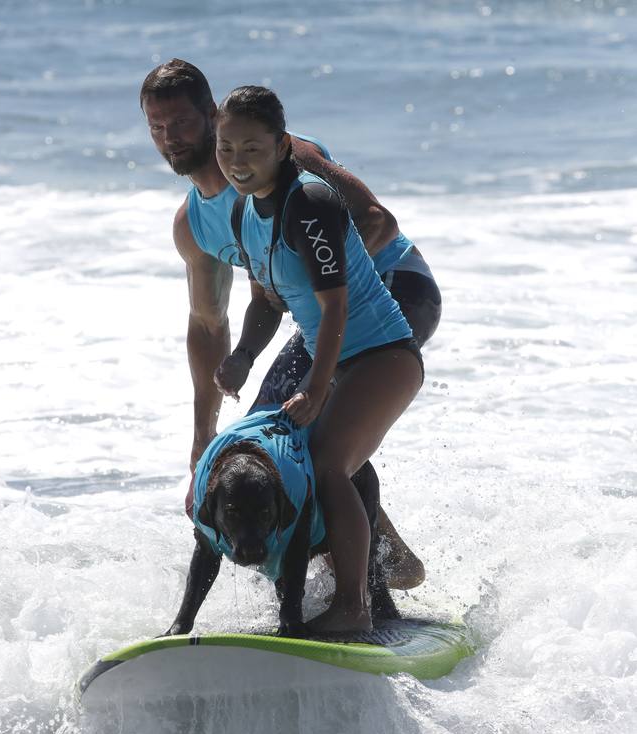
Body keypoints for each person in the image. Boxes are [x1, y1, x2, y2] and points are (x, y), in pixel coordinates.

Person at [140, 59, 441, 589]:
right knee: (266, 444)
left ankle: (364, 583)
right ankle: (382, 565)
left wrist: (324, 301)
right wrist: (202, 436)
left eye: (182, 122)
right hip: (319, 317)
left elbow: (376, 221)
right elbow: (210, 326)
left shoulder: (280, 156)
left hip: (394, 286)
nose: (171, 138)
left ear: (212, 115)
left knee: (289, 439)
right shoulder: (196, 224)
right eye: (157, 128)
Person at [212, 86, 424, 632]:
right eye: (227, 148)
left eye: (252, 148)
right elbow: (265, 297)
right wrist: (241, 356)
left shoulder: (309, 201)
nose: (238, 162)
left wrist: (314, 386)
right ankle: (353, 586)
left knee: (328, 463)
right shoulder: (242, 212)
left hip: (381, 356)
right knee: (301, 464)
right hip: (343, 360)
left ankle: (355, 609)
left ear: (282, 145)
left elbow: (336, 308)